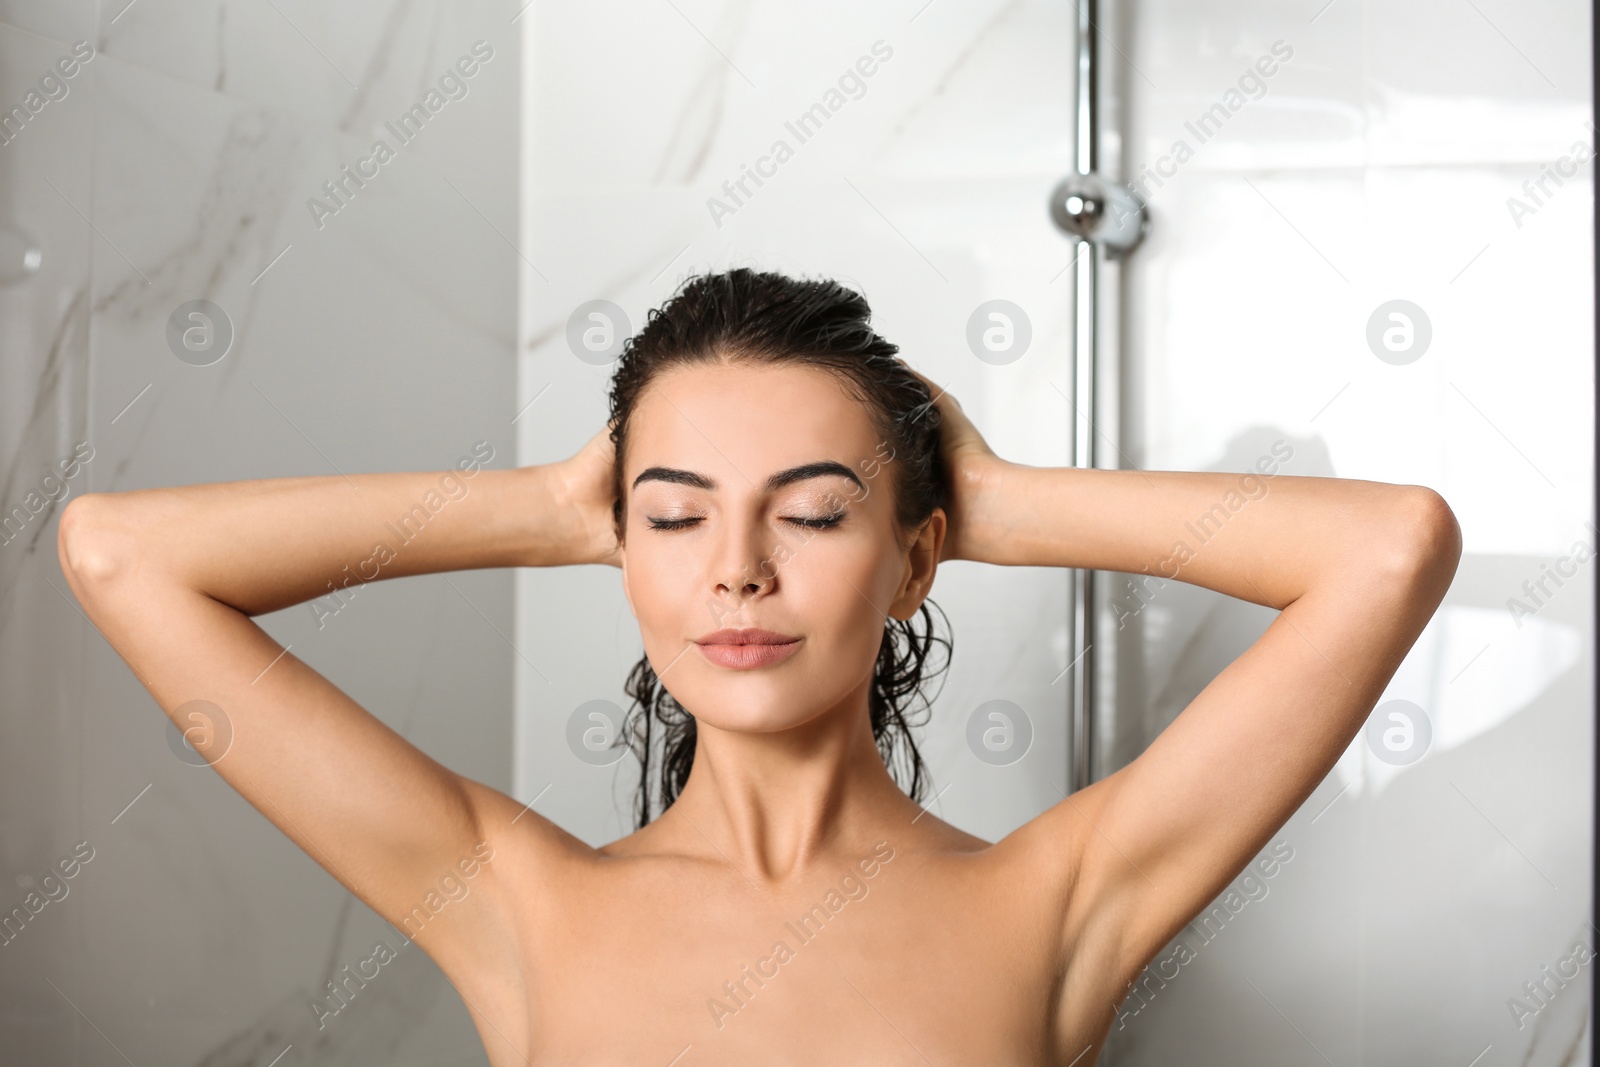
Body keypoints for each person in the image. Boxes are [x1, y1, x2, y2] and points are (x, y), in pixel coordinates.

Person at [58, 267, 1461, 1065]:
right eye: (676, 515)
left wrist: (990, 499)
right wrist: (564, 508)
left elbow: (1391, 551)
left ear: (913, 562)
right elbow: (123, 554)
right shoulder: (513, 897)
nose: (735, 566)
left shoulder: (1051, 898)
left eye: (810, 513)